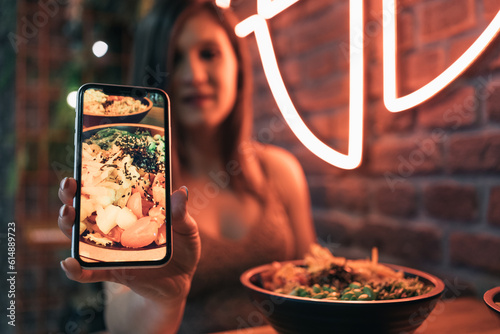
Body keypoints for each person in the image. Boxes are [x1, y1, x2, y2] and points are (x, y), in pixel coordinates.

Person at [58, 0, 317, 332]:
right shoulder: (134, 186)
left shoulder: (282, 172)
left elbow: (312, 287)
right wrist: (163, 299)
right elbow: (124, 327)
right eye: (175, 59)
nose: (194, 75)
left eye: (208, 53)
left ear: (237, 65)